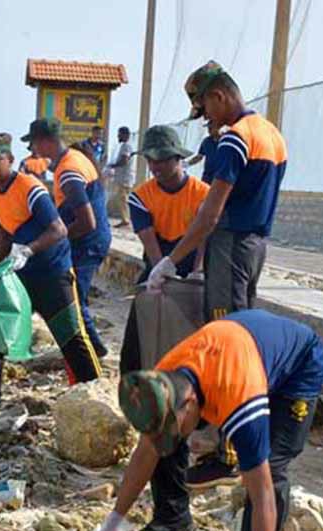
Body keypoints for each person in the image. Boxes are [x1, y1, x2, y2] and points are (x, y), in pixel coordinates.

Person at [80, 310, 323, 531]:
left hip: (299, 364)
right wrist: (114, 524)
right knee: (163, 443)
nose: (174, 435)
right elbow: (146, 448)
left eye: (175, 427)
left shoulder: (239, 401)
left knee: (270, 471)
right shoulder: (160, 380)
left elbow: (263, 497)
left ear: (189, 402)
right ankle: (173, 518)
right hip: (245, 346)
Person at [145, 62, 289, 489]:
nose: (206, 118)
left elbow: (212, 210)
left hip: (230, 246)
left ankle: (229, 455)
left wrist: (174, 260)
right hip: (254, 247)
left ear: (220, 96)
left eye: (204, 107)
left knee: (226, 345)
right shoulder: (271, 134)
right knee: (241, 339)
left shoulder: (233, 140)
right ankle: (237, 444)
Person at [0, 133, 101, 405]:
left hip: (53, 272)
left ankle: (95, 394)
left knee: (71, 336)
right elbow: (5, 238)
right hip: (20, 275)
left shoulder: (29, 187)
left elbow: (58, 229)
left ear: (10, 160)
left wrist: (28, 250)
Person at [119, 124, 208, 373]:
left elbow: (204, 237)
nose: (155, 166)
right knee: (140, 323)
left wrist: (198, 272)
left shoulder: (203, 194)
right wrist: (161, 271)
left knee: (199, 326)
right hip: (159, 262)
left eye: (162, 160)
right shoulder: (141, 196)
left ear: (178, 158)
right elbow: (150, 242)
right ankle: (134, 379)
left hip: (193, 263)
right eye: (150, 160)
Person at [23, 117, 111, 358]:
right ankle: (92, 349)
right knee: (71, 297)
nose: (34, 151)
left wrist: (58, 237)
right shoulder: (74, 159)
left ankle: (93, 352)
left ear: (45, 142)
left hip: (87, 242)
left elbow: (86, 221)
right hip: (90, 240)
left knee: (73, 300)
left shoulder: (69, 170)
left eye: (34, 145)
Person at [105, 126, 134, 227]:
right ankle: (125, 219)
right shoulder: (124, 146)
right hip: (122, 178)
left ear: (125, 135)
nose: (118, 136)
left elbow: (124, 161)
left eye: (120, 133)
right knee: (121, 199)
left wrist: (113, 165)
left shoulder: (126, 146)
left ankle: (125, 220)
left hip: (124, 178)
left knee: (123, 199)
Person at [186, 119, 223, 184]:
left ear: (218, 127)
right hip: (207, 177)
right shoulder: (206, 141)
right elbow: (199, 157)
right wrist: (186, 164)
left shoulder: (226, 140)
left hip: (221, 178)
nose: (208, 130)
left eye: (211, 128)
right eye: (208, 128)